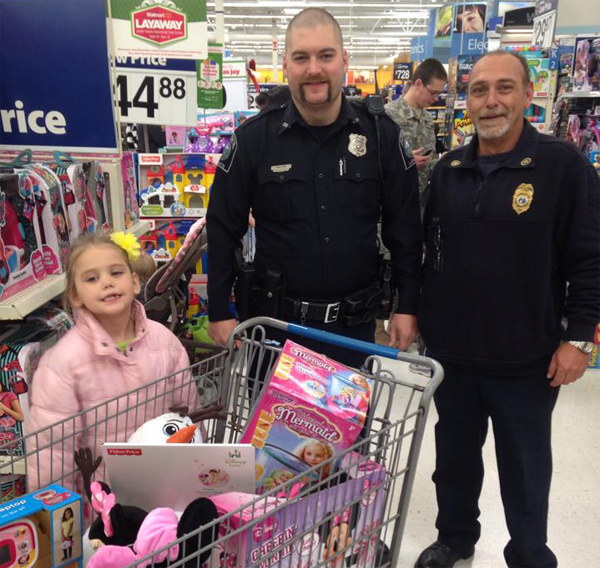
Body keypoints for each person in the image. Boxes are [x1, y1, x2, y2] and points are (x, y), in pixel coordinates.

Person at [415, 51, 600, 568]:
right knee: (452, 462)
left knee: (524, 467)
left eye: (504, 88)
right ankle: (454, 538)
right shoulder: (450, 170)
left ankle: (528, 551)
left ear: (527, 94)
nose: (490, 101)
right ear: (466, 100)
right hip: (454, 355)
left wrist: (580, 336)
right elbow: (430, 255)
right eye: (478, 90)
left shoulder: (563, 167)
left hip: (528, 358)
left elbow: (590, 258)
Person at [207, 8, 421, 368]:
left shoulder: (381, 135)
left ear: (344, 61)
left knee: (348, 428)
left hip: (353, 331)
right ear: (286, 65)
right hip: (276, 331)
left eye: (326, 55)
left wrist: (408, 304)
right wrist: (217, 308)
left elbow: (406, 230)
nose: (314, 69)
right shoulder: (253, 139)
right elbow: (222, 227)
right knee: (270, 427)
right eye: (301, 57)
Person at [26, 233, 189, 491]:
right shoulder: (62, 364)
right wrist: (61, 519)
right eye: (92, 278)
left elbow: (186, 412)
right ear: (75, 296)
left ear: (135, 281)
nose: (107, 283)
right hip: (101, 505)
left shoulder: (165, 341)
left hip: (163, 488)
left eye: (116, 273)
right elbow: (52, 454)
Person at [385, 58, 447, 212]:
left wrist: (446, 161)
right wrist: (404, 164)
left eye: (439, 94)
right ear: (418, 84)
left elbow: (429, 164)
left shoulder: (427, 119)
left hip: (421, 208)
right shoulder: (387, 116)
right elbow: (373, 165)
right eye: (433, 92)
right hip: (392, 208)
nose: (436, 98)